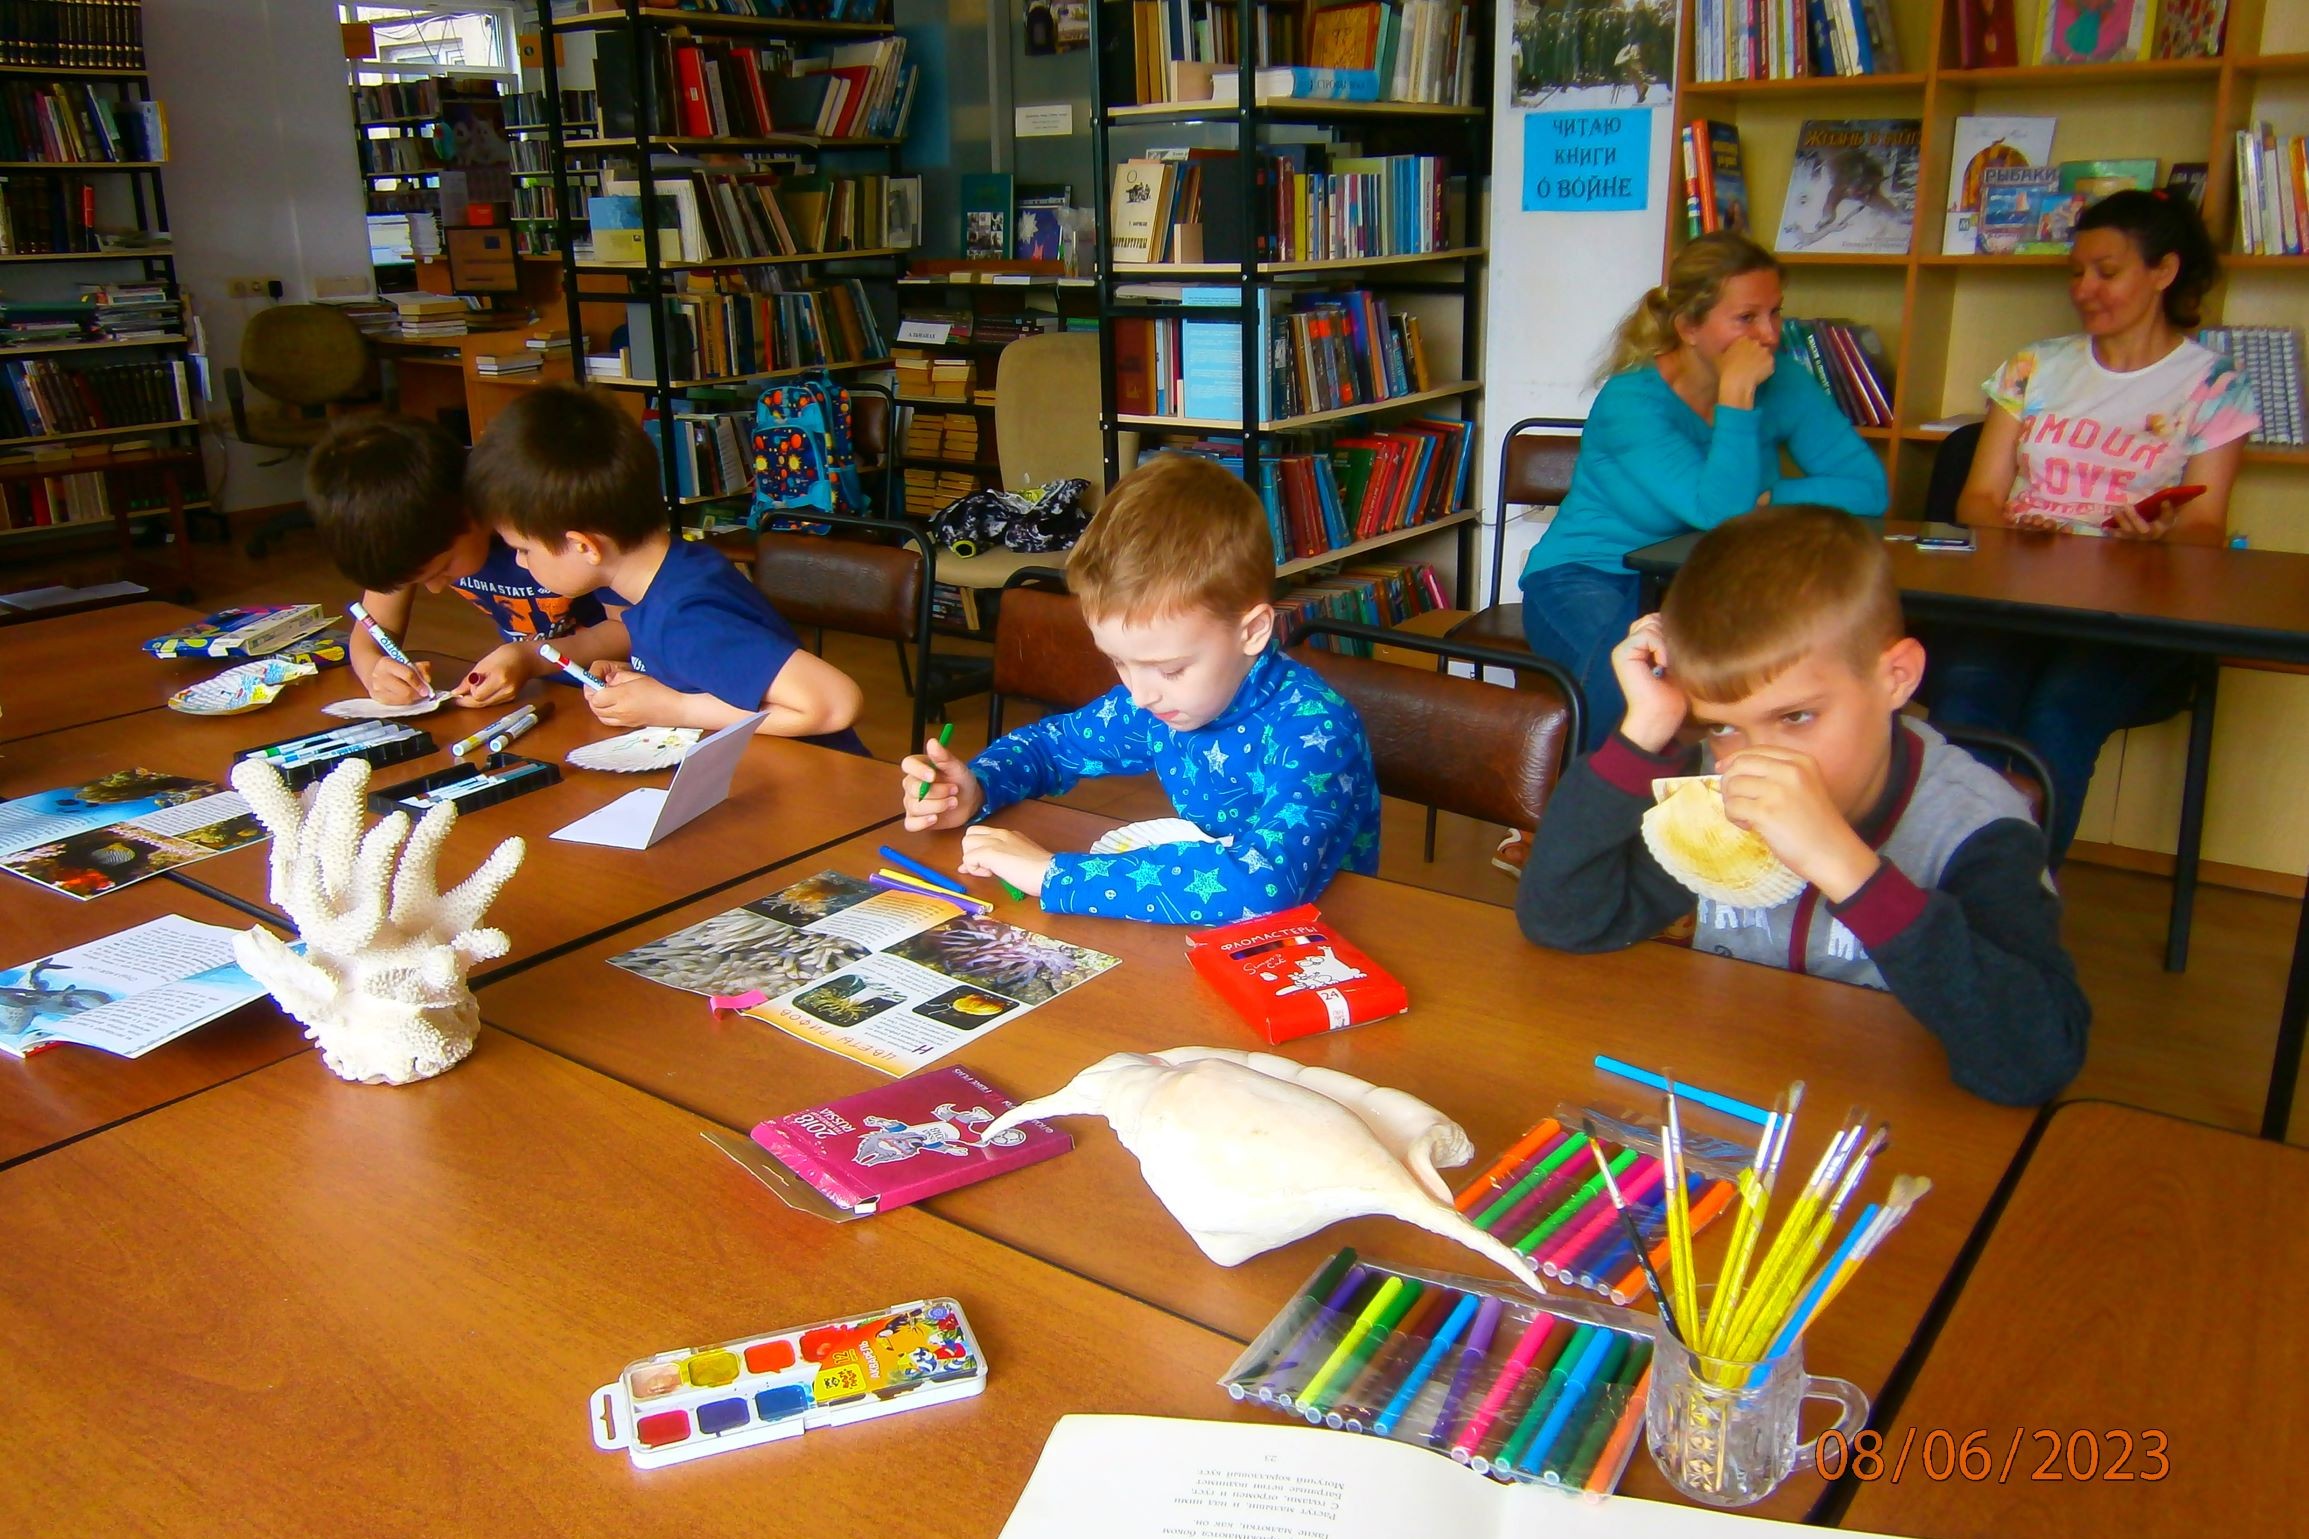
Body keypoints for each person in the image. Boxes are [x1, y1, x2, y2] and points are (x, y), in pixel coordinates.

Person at [1518, 505, 2088, 1107]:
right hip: (1736, 1096)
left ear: (1896, 676)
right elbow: (1566, 922)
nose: (1756, 759)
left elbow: (2032, 1063)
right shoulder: (1716, 786)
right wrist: (1643, 734)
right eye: (1722, 726)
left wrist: (1845, 865)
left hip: (1892, 1116)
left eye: (1796, 717)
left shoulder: (1976, 827)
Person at [1504, 231, 1887, 873]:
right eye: (1746, 318)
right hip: (1586, 574)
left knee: (1770, 684)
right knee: (1634, 683)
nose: (1769, 335)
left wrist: (1772, 494)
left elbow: (1867, 488)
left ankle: (1718, 846)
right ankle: (1583, 854)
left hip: (1704, 580)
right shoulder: (1631, 401)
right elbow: (1722, 513)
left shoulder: (1784, 381)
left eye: (1775, 313)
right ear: (1688, 326)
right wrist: (1737, 402)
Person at [900, 452, 1379, 924]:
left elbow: (1260, 886)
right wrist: (977, 788)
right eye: (1118, 662)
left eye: (1169, 670)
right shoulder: (1159, 701)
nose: (1140, 695)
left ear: (1251, 632)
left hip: (1328, 930)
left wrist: (1051, 875)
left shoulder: (1314, 729)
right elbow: (1050, 748)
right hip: (1205, 923)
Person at [1934, 189, 2259, 860]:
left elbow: (2205, 525)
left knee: (2062, 709)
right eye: (2076, 272)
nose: (2083, 289)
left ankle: (2013, 896)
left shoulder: (2213, 386)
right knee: (1967, 693)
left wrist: (2159, 539)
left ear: (2164, 271)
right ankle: (1945, 884)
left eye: (2106, 272)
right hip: (2015, 595)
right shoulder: (2033, 366)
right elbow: (1978, 499)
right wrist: (2011, 529)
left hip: (2131, 609)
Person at [464, 384, 865, 750]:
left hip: (816, 786)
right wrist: (652, 681)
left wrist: (675, 707)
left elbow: (834, 703)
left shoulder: (684, 618)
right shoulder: (670, 571)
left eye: (524, 549)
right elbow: (713, 670)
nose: (519, 561)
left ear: (583, 546)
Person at [305, 414, 628, 707]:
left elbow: (626, 629)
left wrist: (528, 658)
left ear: (471, 510)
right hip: (546, 691)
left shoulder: (547, 507)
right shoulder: (409, 529)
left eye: (443, 569)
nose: (435, 588)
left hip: (626, 685)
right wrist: (374, 669)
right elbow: (374, 628)